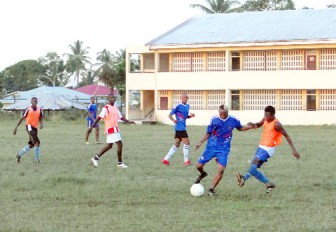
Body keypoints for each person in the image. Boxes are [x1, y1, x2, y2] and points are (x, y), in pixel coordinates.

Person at [236, 105, 300, 193]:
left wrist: (294, 150)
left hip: (268, 149)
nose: (266, 117)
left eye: (267, 116)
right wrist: (253, 125)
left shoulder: (277, 124)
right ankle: (268, 184)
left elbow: (287, 136)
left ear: (273, 114)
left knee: (253, 164)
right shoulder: (265, 118)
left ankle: (244, 178)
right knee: (253, 167)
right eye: (265, 115)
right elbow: (259, 124)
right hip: (261, 146)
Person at [194, 105, 253, 196]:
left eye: (223, 114)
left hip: (223, 149)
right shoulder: (214, 120)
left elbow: (240, 128)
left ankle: (211, 189)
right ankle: (203, 174)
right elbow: (208, 133)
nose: (221, 115)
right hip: (211, 147)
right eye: (220, 113)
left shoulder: (233, 120)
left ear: (227, 112)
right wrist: (200, 142)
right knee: (198, 166)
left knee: (221, 169)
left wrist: (248, 127)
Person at [90, 94, 135, 168]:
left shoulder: (115, 108)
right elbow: (99, 117)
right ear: (108, 99)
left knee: (109, 146)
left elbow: (121, 117)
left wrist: (128, 121)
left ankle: (95, 158)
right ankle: (119, 163)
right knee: (120, 144)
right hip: (110, 129)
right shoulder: (106, 108)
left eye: (114, 97)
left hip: (115, 128)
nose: (113, 99)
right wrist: (93, 125)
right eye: (111, 98)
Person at [161, 93, 195, 166]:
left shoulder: (187, 106)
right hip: (180, 128)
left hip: (181, 127)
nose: (186, 98)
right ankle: (186, 161)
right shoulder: (177, 106)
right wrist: (173, 120)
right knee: (187, 143)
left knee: (177, 143)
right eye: (184, 97)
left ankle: (165, 159)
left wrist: (190, 116)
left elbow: (185, 117)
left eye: (187, 97)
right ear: (181, 98)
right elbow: (170, 115)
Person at [13, 97, 43, 163]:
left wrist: (41, 123)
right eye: (33, 101)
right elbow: (21, 118)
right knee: (37, 142)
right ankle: (37, 160)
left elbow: (40, 117)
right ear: (31, 102)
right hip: (29, 126)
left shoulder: (39, 109)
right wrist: (16, 128)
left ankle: (19, 155)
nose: (35, 102)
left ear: (37, 102)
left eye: (36, 101)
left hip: (35, 128)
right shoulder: (28, 109)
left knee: (32, 144)